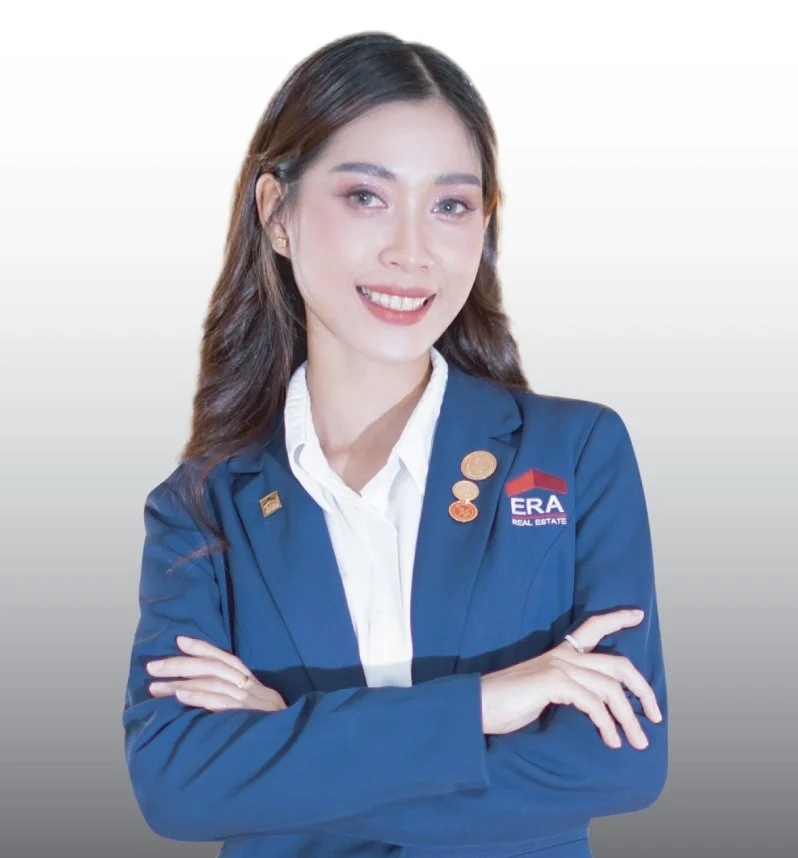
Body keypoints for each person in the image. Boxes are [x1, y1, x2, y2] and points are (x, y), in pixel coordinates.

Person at [121, 31, 668, 858]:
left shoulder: (575, 452)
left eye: (451, 206)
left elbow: (619, 762)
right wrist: (481, 705)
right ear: (276, 213)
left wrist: (287, 745)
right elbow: (175, 787)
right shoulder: (203, 505)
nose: (412, 252)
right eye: (366, 196)